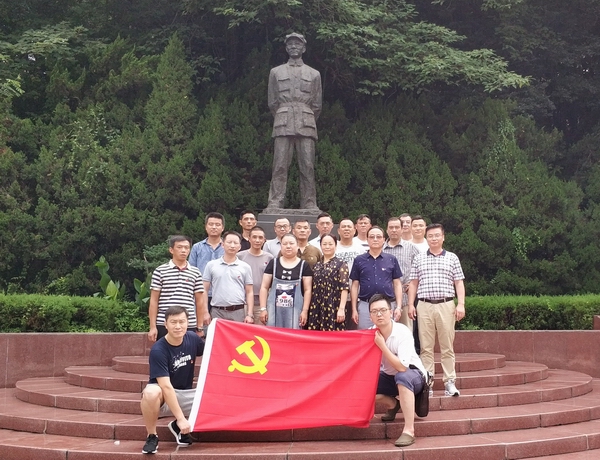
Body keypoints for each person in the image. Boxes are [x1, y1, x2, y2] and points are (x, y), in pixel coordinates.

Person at [266, 33, 322, 210]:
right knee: (279, 165)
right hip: (283, 121)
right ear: (286, 48)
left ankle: (309, 202)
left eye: (297, 44)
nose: (293, 47)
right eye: (290, 44)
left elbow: (317, 105)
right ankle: (275, 201)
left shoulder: (314, 74)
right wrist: (284, 114)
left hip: (306, 122)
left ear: (303, 48)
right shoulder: (276, 72)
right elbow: (272, 102)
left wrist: (305, 115)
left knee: (307, 166)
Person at [408, 223, 466, 397]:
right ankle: (428, 383)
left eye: (437, 235)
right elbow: (413, 283)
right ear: (426, 238)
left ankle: (450, 382)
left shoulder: (452, 258)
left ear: (443, 237)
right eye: (430, 236)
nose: (434, 238)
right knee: (426, 347)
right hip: (424, 305)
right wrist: (410, 304)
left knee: (447, 346)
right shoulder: (419, 258)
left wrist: (461, 304)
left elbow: (458, 282)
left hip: (446, 305)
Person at [141, 305, 205, 454]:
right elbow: (166, 387)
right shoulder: (158, 350)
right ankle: (152, 436)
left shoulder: (193, 339)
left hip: (185, 394)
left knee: (216, 394)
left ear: (188, 323)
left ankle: (177, 427)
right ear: (165, 324)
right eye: (173, 322)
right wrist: (182, 418)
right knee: (150, 392)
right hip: (164, 397)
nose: (178, 326)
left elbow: (213, 350)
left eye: (182, 322)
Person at [371, 294, 427, 448]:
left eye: (383, 310)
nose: (379, 314)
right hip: (390, 377)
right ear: (370, 316)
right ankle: (392, 404)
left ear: (391, 312)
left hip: (413, 376)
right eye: (374, 311)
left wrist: (382, 346)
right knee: (362, 385)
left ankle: (409, 431)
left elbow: (402, 367)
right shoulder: (371, 333)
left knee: (402, 377)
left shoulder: (402, 332)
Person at [148, 235, 208, 342]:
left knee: (188, 352)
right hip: (164, 323)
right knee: (165, 352)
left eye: (186, 247)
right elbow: (154, 300)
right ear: (171, 250)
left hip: (188, 323)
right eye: (179, 247)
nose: (183, 250)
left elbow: (199, 301)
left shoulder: (195, 272)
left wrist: (199, 327)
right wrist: (153, 327)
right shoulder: (160, 271)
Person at [350, 226, 403, 330]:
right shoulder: (359, 260)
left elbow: (397, 284)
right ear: (367, 239)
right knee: (365, 335)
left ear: (384, 239)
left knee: (387, 335)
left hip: (387, 305)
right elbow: (355, 286)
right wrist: (354, 310)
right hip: (366, 306)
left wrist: (398, 307)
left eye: (378, 237)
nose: (375, 239)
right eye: (372, 237)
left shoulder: (391, 259)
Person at [259, 233, 313, 328]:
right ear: (281, 246)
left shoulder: (304, 266)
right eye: (285, 244)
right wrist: (263, 309)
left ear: (297, 246)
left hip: (295, 311)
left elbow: (307, 290)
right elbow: (264, 287)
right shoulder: (273, 263)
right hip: (273, 311)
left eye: (291, 243)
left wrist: (305, 311)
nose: (288, 246)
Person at [203, 231, 255, 324]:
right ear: (222, 245)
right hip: (217, 311)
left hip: (238, 311)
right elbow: (204, 290)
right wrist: (205, 312)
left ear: (239, 247)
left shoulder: (245, 267)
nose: (232, 245)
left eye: (235, 243)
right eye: (229, 242)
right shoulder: (211, 265)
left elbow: (249, 292)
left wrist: (249, 314)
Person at [307, 234, 350, 331]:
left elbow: (344, 288)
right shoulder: (317, 265)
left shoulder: (341, 264)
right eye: (324, 244)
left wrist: (341, 309)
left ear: (336, 245)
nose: (327, 247)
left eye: (330, 244)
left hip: (333, 305)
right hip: (317, 305)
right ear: (320, 245)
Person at [383, 217, 419, 330]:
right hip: (384, 300)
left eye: (397, 227)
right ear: (387, 230)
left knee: (406, 331)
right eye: (391, 227)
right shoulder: (381, 249)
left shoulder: (411, 248)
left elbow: (421, 269)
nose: (394, 230)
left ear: (402, 229)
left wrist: (415, 284)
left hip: (405, 299)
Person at [237, 226, 274, 324]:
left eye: (260, 237)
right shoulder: (240, 256)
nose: (257, 240)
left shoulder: (269, 258)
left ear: (264, 240)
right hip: (243, 302)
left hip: (262, 303)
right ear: (249, 238)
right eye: (254, 237)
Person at [189, 212, 225, 310]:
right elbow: (192, 270)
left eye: (217, 224)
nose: (214, 227)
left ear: (222, 228)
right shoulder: (197, 247)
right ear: (206, 227)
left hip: (222, 293)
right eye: (211, 224)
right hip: (200, 292)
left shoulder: (227, 247)